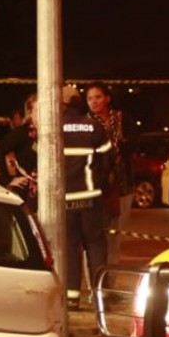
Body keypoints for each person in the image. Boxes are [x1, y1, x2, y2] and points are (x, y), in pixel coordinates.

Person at [62, 85, 112, 310]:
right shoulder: (93, 126)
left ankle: (71, 298)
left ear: (62, 105)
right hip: (91, 197)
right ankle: (101, 297)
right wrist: (98, 179)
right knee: (96, 246)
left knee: (70, 248)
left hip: (65, 199)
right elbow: (108, 159)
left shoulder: (54, 128)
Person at [84, 82, 130, 222]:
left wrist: (120, 151)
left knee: (120, 223)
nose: (94, 102)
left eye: (98, 97)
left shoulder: (120, 118)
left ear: (107, 98)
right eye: (90, 98)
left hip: (122, 177)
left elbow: (132, 143)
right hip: (98, 180)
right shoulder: (86, 122)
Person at [0, 93, 39, 212]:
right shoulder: (22, 133)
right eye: (38, 110)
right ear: (30, 113)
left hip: (47, 190)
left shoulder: (52, 133)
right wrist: (8, 179)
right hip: (26, 192)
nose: (42, 115)